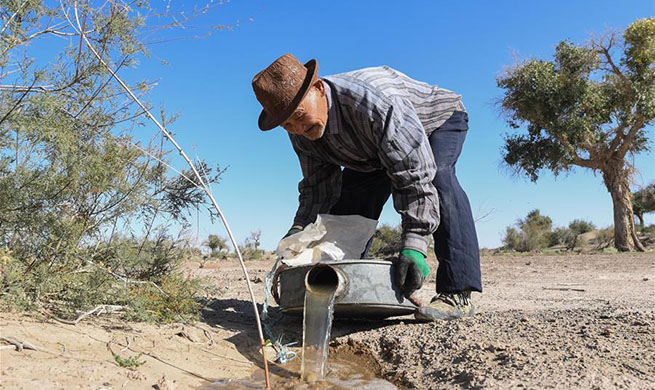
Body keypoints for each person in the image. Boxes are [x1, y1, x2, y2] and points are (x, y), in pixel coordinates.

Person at [252, 53, 482, 320]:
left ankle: (457, 293)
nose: (297, 128)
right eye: (287, 124)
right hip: (371, 151)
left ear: (318, 89)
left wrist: (414, 245)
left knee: (438, 180)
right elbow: (318, 190)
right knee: (350, 203)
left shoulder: (375, 104)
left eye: (300, 116)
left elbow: (413, 175)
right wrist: (297, 237)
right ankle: (347, 291)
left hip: (435, 121)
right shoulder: (301, 134)